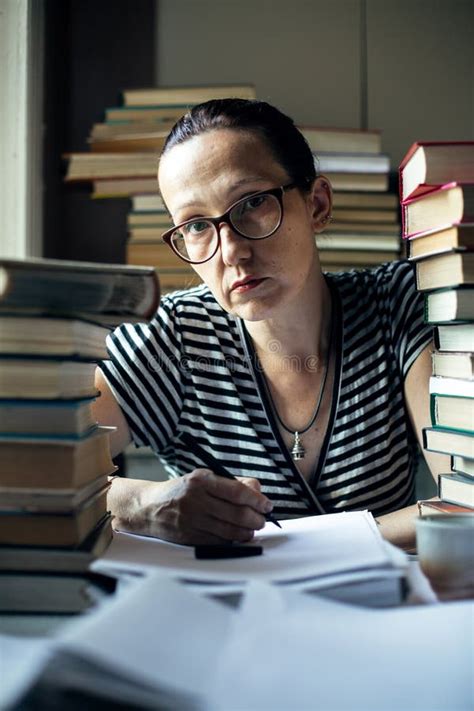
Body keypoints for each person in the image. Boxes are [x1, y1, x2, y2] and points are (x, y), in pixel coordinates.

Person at [94, 98, 448, 551]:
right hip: (226, 611)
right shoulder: (173, 337)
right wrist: (142, 503)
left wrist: (303, 551)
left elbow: (465, 500)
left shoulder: (396, 305)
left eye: (252, 203)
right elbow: (37, 469)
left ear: (317, 204)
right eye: (197, 225)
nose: (231, 252)